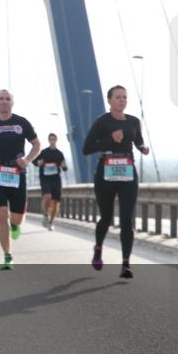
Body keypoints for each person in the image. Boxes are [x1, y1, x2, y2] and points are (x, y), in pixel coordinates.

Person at [81, 85, 150, 279]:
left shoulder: (134, 121)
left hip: (127, 171)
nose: (122, 100)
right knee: (107, 217)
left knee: (127, 219)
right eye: (118, 97)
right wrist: (110, 139)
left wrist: (143, 148)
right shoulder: (102, 122)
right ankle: (98, 247)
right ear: (109, 100)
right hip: (106, 172)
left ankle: (126, 264)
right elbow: (86, 149)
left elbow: (138, 141)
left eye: (125, 97)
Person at [0, 89, 41, 270]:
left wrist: (27, 160)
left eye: (7, 99)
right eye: (1, 99)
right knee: (1, 214)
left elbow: (37, 144)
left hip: (17, 173)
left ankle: (15, 224)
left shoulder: (21, 122)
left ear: (12, 102)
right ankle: (7, 255)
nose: (4, 102)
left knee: (17, 218)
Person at [33, 133, 68, 230]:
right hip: (45, 178)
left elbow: (64, 168)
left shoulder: (59, 154)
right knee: (47, 196)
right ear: (49, 140)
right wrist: (38, 163)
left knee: (56, 203)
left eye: (54, 139)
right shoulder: (44, 152)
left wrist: (64, 166)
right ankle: (45, 215)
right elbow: (34, 161)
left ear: (56, 140)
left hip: (56, 179)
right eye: (51, 139)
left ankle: (51, 223)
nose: (52, 141)